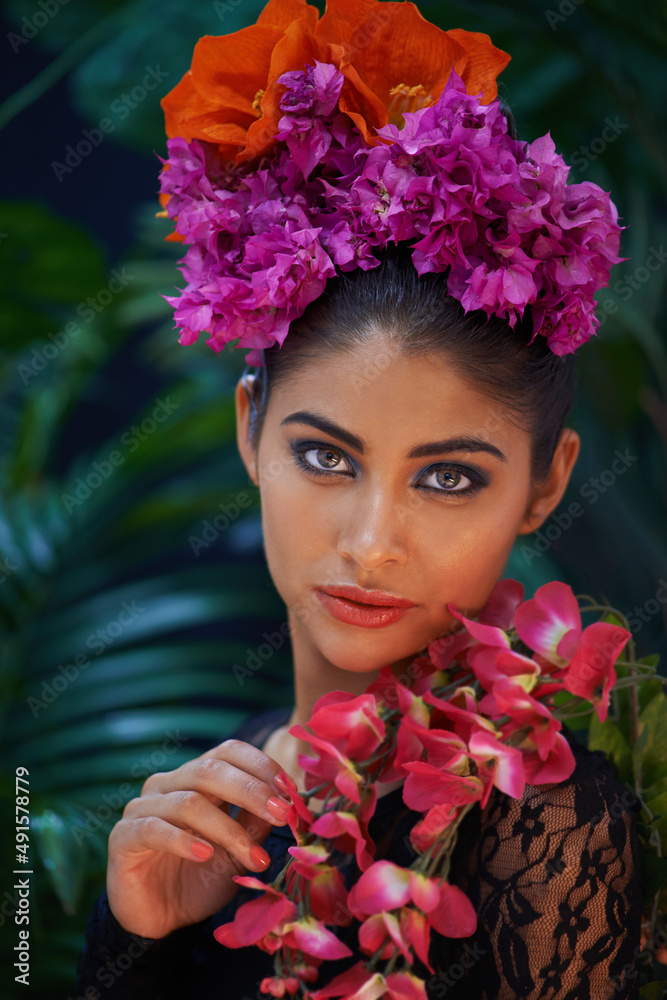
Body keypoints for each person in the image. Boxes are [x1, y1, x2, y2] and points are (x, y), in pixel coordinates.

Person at [73, 2, 644, 997]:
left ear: (544, 485)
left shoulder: (548, 830)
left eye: (449, 477)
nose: (371, 541)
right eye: (327, 459)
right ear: (251, 431)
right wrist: (139, 941)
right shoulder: (221, 796)